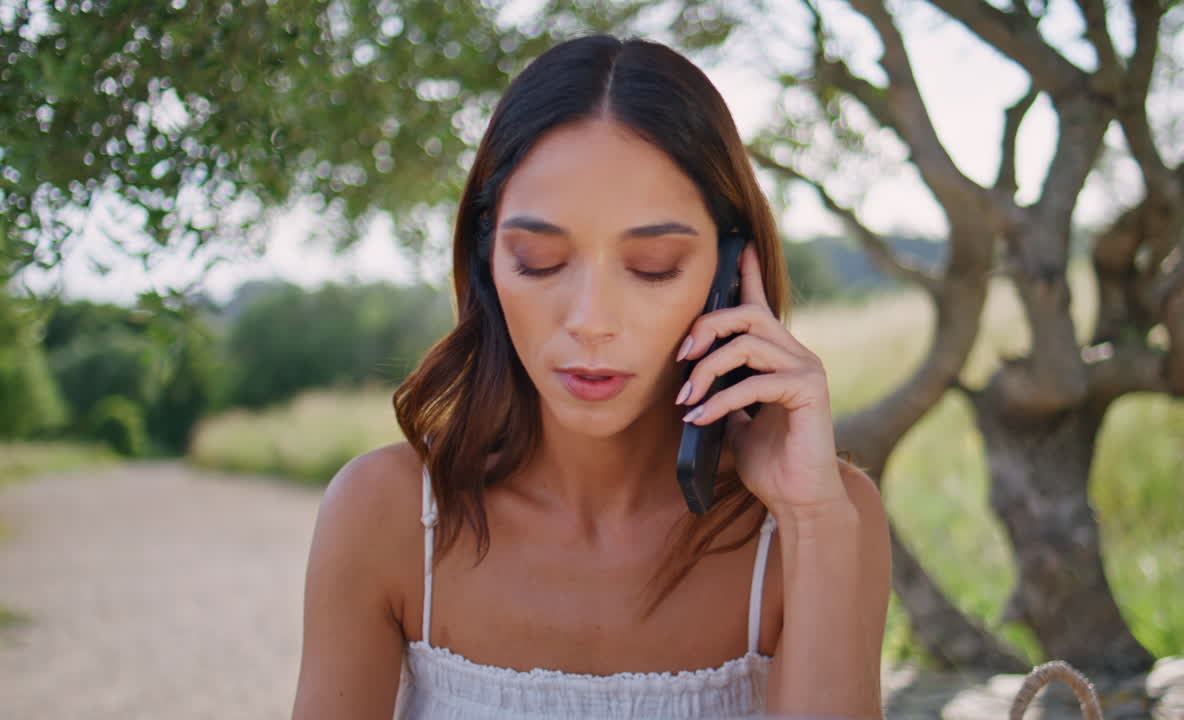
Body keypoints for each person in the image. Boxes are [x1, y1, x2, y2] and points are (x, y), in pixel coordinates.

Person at [290, 34, 891, 720]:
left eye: (654, 266)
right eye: (540, 260)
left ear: (729, 275)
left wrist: (811, 523)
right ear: (487, 259)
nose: (591, 321)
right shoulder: (386, 514)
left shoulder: (823, 519)